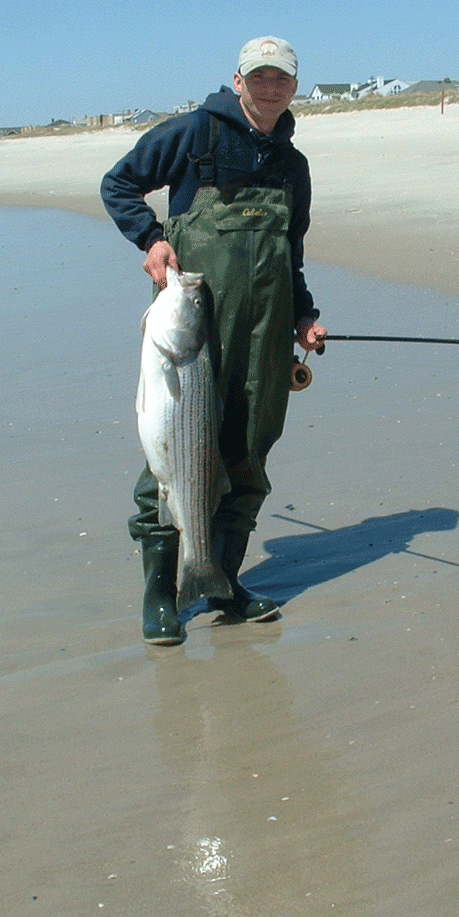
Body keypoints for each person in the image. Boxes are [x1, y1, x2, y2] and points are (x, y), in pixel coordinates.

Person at [101, 36, 327, 644]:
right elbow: (118, 184)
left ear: (294, 87)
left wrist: (303, 315)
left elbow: (290, 255)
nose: (270, 87)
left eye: (282, 78)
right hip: (194, 334)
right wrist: (151, 238)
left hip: (265, 337)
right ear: (238, 80)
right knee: (176, 457)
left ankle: (220, 581)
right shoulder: (194, 135)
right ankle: (159, 596)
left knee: (247, 454)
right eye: (260, 77)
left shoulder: (293, 166)